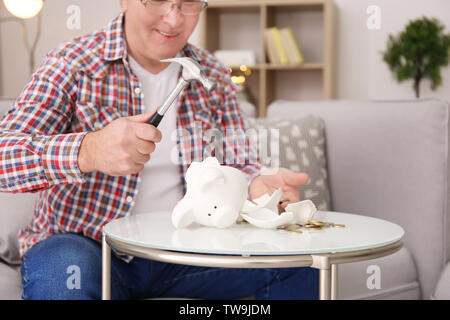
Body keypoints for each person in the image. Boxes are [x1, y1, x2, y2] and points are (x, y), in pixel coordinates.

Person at [0, 0, 318, 300]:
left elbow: (239, 161)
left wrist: (255, 186)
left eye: (188, 2)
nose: (174, 18)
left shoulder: (214, 74)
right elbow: (5, 154)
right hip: (85, 245)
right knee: (66, 279)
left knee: (298, 264)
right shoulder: (72, 63)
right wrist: (89, 150)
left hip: (189, 249)